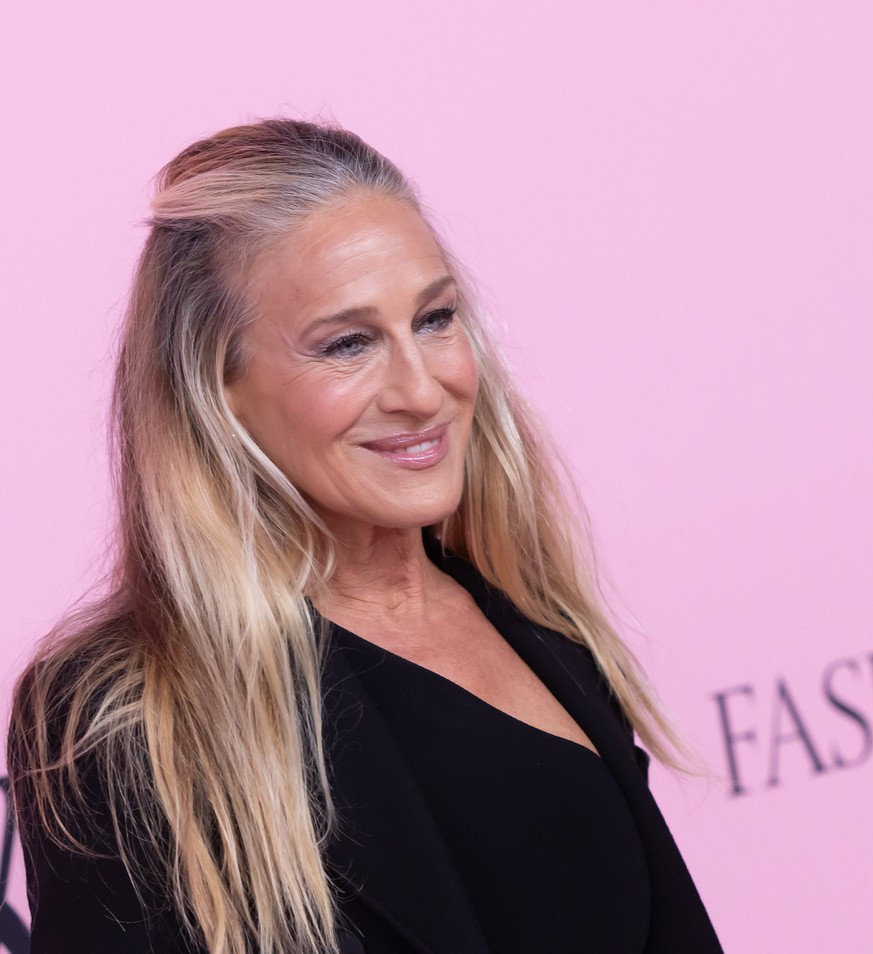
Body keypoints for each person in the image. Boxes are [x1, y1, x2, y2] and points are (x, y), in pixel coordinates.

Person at [5, 118, 725, 954]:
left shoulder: (546, 627)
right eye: (347, 344)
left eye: (435, 318)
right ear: (216, 388)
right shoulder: (125, 716)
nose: (422, 390)